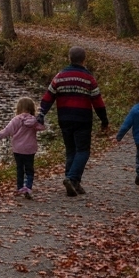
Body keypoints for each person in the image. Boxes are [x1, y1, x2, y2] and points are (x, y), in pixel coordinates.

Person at [38, 46, 108, 197]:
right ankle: (72, 178)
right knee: (83, 151)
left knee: (71, 151)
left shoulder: (60, 76)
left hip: (64, 118)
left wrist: (41, 114)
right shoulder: (88, 78)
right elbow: (98, 101)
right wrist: (104, 120)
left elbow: (48, 97)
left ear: (69, 58)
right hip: (83, 119)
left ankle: (73, 183)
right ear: (84, 59)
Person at [0, 97, 43, 199]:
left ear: (19, 108)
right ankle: (28, 188)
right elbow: (41, 127)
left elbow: (6, 131)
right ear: (32, 108)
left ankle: (20, 188)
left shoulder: (16, 120)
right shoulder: (34, 121)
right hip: (30, 149)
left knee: (20, 169)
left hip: (18, 149)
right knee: (29, 169)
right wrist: (40, 118)